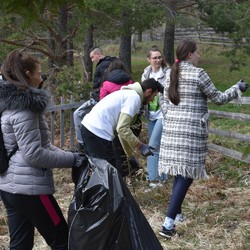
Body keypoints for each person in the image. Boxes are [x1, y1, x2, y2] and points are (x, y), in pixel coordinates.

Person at [158, 39, 249, 238]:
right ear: (190, 54)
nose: (200, 55)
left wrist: (173, 119)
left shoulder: (169, 74)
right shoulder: (198, 74)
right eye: (198, 52)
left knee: (180, 173)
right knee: (187, 174)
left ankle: (178, 215)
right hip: (191, 134)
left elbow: (163, 102)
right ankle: (167, 225)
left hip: (172, 133)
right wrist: (236, 88)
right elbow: (218, 98)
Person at [0, 49, 85, 250]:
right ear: (28, 74)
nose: (42, 76)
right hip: (30, 190)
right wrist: (72, 161)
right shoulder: (25, 108)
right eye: (39, 72)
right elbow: (34, 155)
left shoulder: (8, 104)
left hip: (9, 187)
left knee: (20, 245)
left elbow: (41, 146)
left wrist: (71, 155)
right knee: (63, 240)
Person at [81, 79, 164, 171]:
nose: (152, 100)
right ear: (148, 92)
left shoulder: (129, 94)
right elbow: (122, 128)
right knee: (109, 173)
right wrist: (140, 146)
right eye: (154, 96)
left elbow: (121, 131)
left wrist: (130, 156)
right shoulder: (134, 98)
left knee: (101, 171)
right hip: (97, 132)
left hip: (89, 128)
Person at [73, 47, 116, 151]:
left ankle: (82, 145)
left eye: (93, 57)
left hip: (99, 100)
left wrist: (97, 97)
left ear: (99, 54)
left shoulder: (103, 65)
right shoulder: (113, 62)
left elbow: (103, 85)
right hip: (108, 100)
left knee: (78, 114)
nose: (92, 60)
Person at [141, 46, 169, 190]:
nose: (158, 60)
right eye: (155, 58)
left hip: (163, 114)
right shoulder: (145, 74)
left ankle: (152, 180)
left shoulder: (168, 73)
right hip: (150, 115)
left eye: (159, 57)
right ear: (149, 59)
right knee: (159, 146)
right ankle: (163, 178)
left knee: (152, 145)